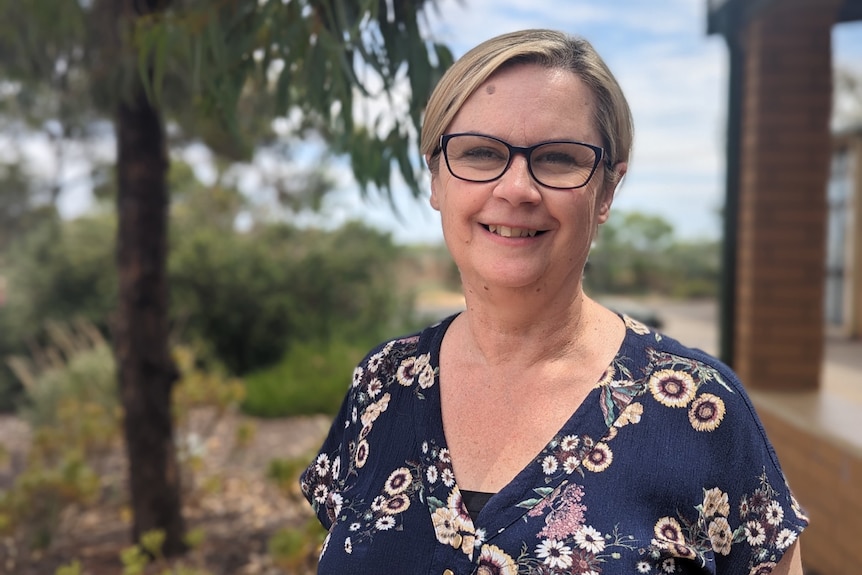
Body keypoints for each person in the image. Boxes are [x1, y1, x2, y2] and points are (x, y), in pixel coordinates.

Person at [300, 29, 807, 574]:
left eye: (559, 158)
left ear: (607, 191)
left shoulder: (699, 413)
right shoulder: (382, 386)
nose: (517, 188)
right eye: (479, 152)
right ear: (436, 180)